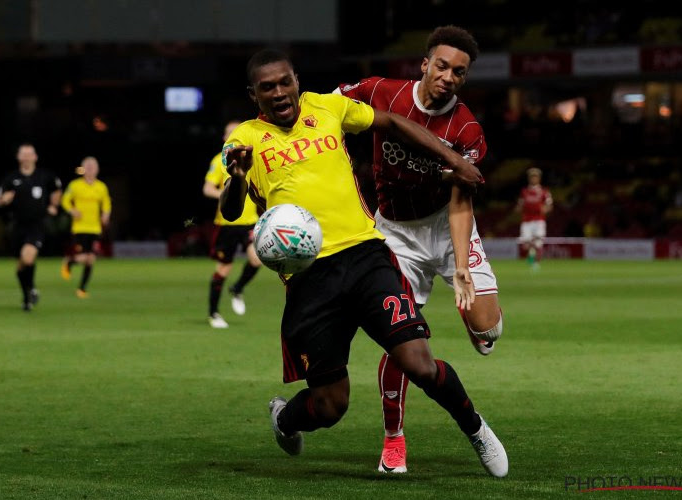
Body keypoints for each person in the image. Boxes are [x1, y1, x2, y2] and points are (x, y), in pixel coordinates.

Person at [220, 48, 507, 477]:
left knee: (419, 363)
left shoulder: (329, 106)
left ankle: (476, 428)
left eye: (285, 82)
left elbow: (391, 122)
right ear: (253, 95)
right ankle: (285, 419)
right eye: (267, 88)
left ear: (297, 80)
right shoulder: (245, 137)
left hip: (366, 256)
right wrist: (239, 178)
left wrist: (453, 160)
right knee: (331, 406)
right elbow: (229, 209)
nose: (279, 92)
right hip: (309, 278)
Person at [336, 25, 504, 473]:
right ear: (425, 64)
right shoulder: (380, 92)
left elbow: (461, 199)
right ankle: (394, 439)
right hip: (394, 233)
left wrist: (462, 268)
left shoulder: (466, 130)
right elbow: (324, 108)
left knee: (487, 331)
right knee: (400, 342)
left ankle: (477, 323)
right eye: (443, 66)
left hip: (445, 227)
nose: (449, 77)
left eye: (460, 73)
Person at [203, 119, 262, 329]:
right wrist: (229, 194)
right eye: (229, 133)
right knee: (223, 269)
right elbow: (207, 189)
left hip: (250, 222)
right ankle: (214, 313)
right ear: (224, 138)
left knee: (257, 260)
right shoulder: (219, 161)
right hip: (227, 223)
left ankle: (237, 288)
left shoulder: (252, 160)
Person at [0, 143, 62, 311]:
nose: (26, 157)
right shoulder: (11, 178)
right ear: (18, 157)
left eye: (29, 154)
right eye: (23, 154)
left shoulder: (44, 176)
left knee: (28, 257)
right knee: (20, 266)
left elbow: (57, 190)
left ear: (35, 157)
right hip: (17, 226)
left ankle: (29, 291)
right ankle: (28, 295)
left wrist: (54, 205)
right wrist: (4, 200)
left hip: (37, 225)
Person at [60, 156, 112, 298]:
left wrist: (106, 215)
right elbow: (65, 200)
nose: (90, 169)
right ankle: (69, 262)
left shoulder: (101, 187)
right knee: (84, 257)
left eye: (93, 167)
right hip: (79, 228)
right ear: (83, 169)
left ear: (97, 170)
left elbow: (107, 204)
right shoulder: (75, 185)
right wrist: (72, 210)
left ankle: (82, 288)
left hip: (95, 228)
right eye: (87, 167)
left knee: (91, 259)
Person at [515, 167, 553, 269]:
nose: (534, 179)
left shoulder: (544, 191)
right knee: (526, 243)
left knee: (538, 241)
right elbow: (520, 204)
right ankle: (531, 257)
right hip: (527, 220)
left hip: (539, 220)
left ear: (539, 178)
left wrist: (545, 209)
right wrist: (518, 208)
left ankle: (536, 262)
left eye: (535, 176)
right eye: (532, 177)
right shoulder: (524, 191)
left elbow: (549, 205)